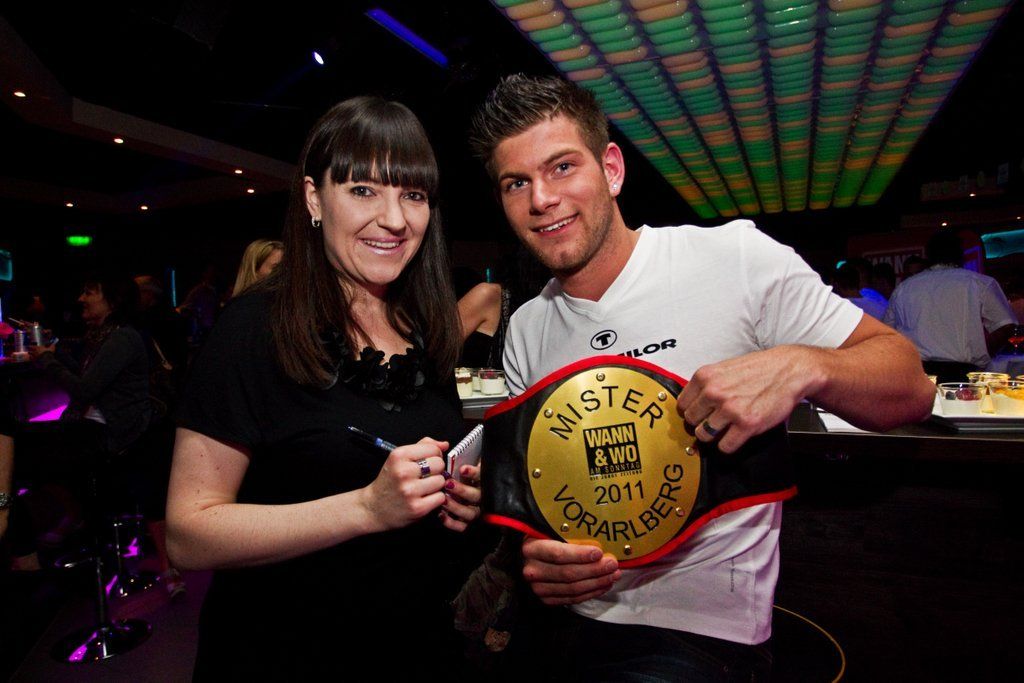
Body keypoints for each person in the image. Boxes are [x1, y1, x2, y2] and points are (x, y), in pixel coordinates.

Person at [468, 74, 934, 680]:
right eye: (517, 183)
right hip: (562, 620)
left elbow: (911, 388)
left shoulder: (733, 259)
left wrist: (803, 365)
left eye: (561, 167)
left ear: (611, 169)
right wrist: (539, 554)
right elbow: (542, 494)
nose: (542, 199)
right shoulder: (528, 327)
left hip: (697, 632)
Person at [165, 96, 483, 679]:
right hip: (286, 651)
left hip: (416, 644)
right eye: (363, 190)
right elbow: (188, 535)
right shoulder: (253, 328)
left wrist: (457, 496)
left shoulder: (427, 326)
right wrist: (365, 508)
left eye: (413, 195)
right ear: (314, 198)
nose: (394, 219)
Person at [884, 229, 1019, 382]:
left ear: (928, 255)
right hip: (963, 372)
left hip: (918, 373)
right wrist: (983, 352)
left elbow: (887, 331)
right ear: (960, 254)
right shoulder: (978, 283)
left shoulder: (905, 288)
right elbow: (1005, 326)